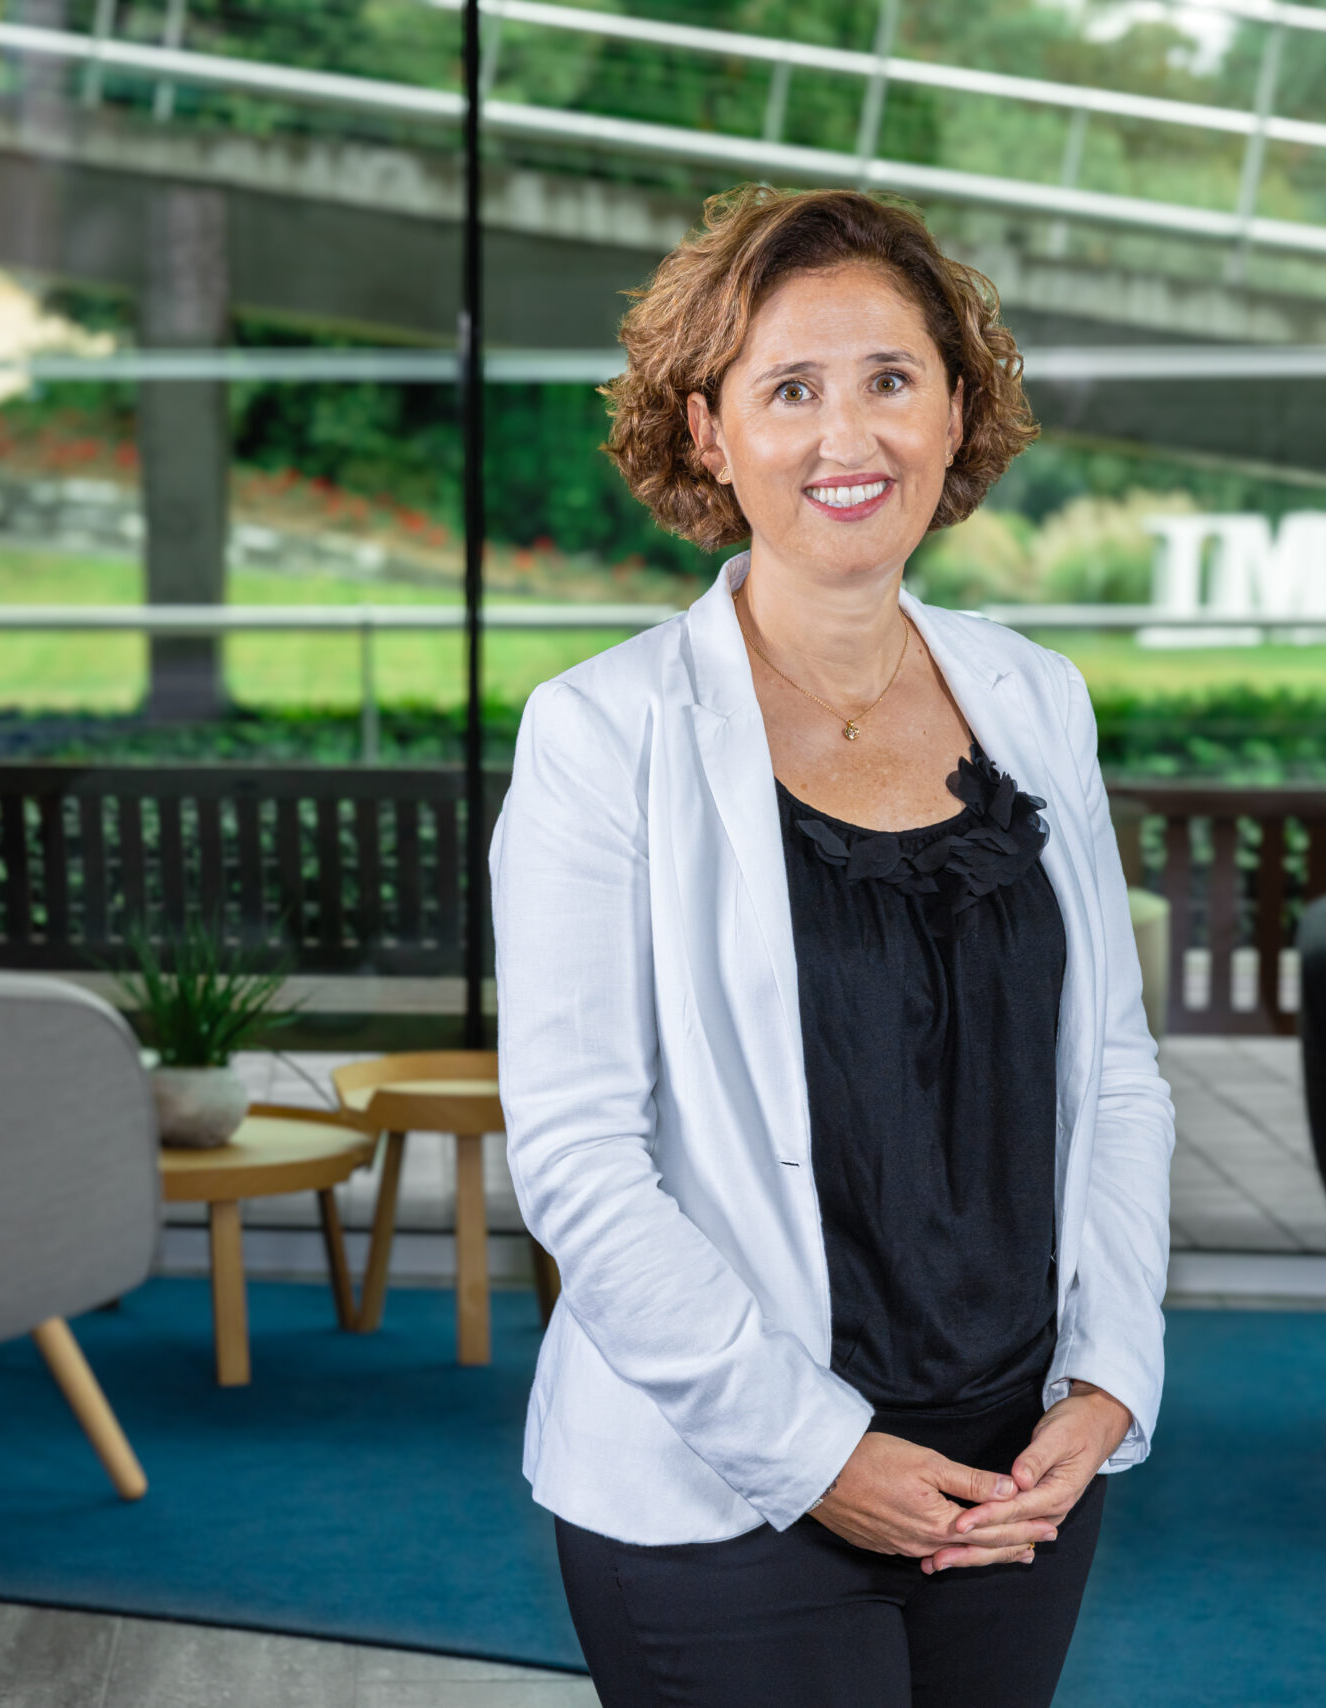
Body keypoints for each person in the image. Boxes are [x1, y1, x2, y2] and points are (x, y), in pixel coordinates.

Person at [491, 186, 1175, 1708]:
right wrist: (818, 1455)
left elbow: (1114, 1079)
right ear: (710, 432)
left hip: (1018, 1468)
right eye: (789, 389)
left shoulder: (1038, 699)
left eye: (889, 380)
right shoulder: (601, 734)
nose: (846, 436)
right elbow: (580, 1163)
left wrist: (1113, 1374)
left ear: (955, 411)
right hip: (723, 1487)